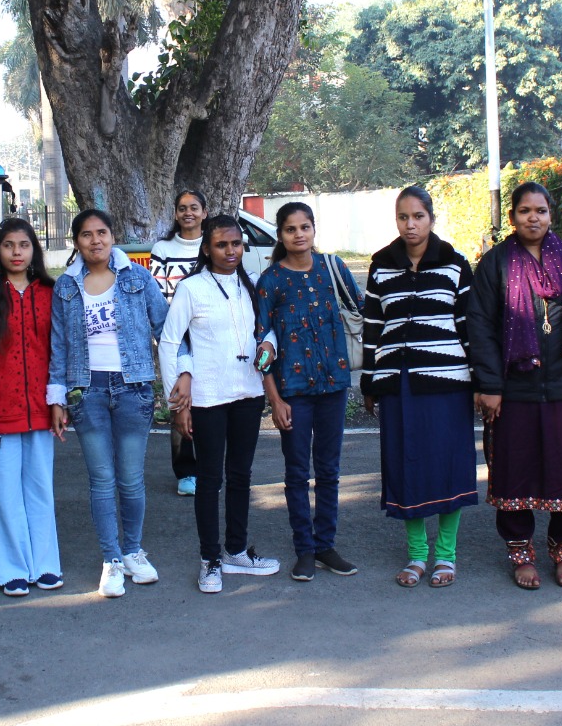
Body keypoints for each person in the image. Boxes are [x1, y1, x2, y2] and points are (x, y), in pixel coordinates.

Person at [468, 183, 562, 591]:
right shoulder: (496, 263)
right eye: (524, 211)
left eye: (540, 210)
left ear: (551, 214)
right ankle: (520, 552)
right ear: (512, 217)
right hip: (514, 389)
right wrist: (490, 384)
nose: (533, 218)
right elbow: (480, 326)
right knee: (514, 472)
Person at [49, 208, 169, 598]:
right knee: (101, 481)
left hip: (133, 388)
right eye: (86, 235)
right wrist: (57, 397)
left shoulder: (137, 277)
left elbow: (164, 327)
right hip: (88, 391)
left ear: (112, 236)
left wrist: (180, 376)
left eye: (102, 232)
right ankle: (111, 560)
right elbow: (58, 347)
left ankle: (133, 551)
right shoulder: (66, 286)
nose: (95, 240)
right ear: (76, 242)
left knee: (131, 479)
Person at [361, 185, 477, 589]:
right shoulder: (381, 266)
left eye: (418, 216)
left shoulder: (454, 264)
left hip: (448, 384)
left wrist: (480, 381)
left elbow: (468, 326)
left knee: (448, 466)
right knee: (405, 464)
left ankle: (446, 556)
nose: (410, 225)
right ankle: (416, 555)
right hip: (399, 384)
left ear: (431, 218)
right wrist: (369, 381)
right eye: (403, 217)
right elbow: (372, 328)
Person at [160, 214, 280, 594]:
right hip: (208, 397)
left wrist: (269, 344)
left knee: (241, 476)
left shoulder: (253, 284)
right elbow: (170, 341)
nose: (231, 251)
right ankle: (209, 559)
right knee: (210, 479)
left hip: (248, 394)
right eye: (222, 245)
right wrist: (177, 404)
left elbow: (269, 328)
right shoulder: (191, 288)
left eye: (236, 243)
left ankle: (236, 552)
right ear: (207, 249)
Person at [255, 202, 360, 581]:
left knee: (330, 471)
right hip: (292, 392)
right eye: (290, 229)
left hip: (334, 385)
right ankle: (305, 549)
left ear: (314, 229)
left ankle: (325, 545)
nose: (299, 234)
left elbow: (362, 311)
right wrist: (275, 399)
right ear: (280, 235)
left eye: (305, 227)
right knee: (297, 472)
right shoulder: (270, 281)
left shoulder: (334, 268)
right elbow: (260, 345)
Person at [0, 218, 61, 597]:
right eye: (8, 245)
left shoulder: (50, 293)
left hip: (40, 410)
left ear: (34, 250)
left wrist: (58, 401)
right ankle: (12, 570)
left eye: (23, 245)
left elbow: (60, 352)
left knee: (40, 491)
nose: (16, 252)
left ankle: (46, 565)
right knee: (4, 494)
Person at [150, 188, 208, 497]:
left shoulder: (212, 244)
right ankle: (185, 471)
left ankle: (209, 468)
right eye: (183, 208)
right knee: (179, 402)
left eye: (194, 207)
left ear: (204, 213)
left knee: (209, 402)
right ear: (175, 214)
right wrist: (167, 336)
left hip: (207, 334)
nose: (188, 213)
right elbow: (158, 295)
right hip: (174, 334)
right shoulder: (162, 248)